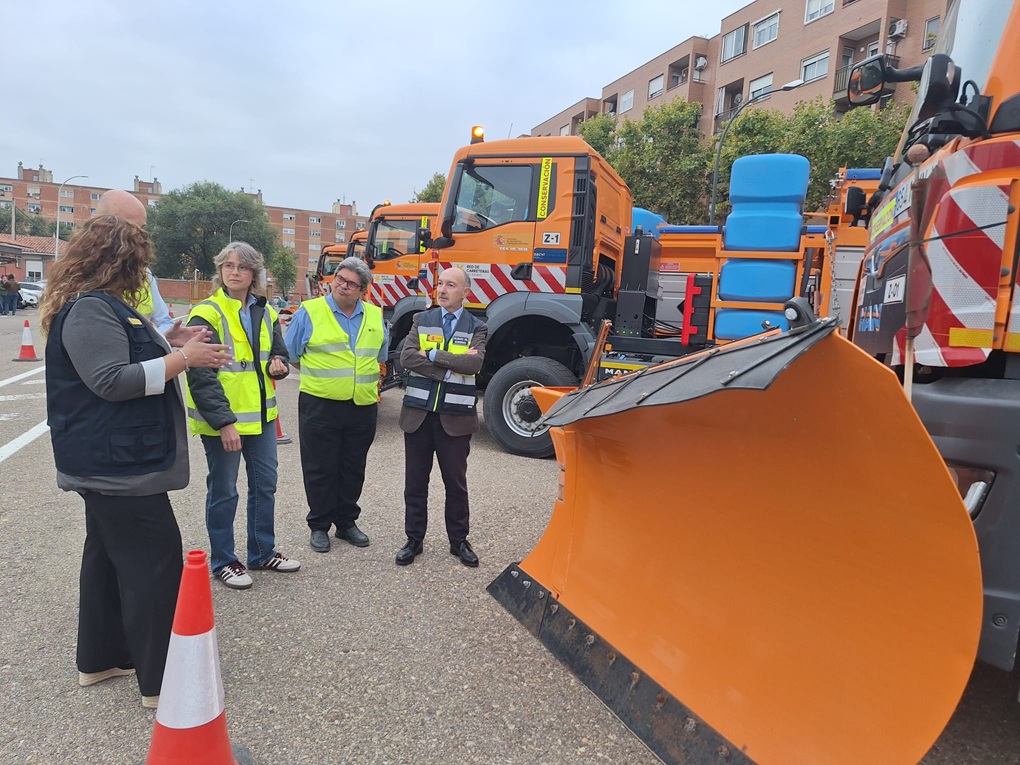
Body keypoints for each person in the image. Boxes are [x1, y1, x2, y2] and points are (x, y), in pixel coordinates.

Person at [41, 216, 232, 709]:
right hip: (117, 467)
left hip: (113, 461)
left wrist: (168, 337)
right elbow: (111, 380)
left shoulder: (103, 306)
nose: (144, 273)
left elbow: (126, 354)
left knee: (106, 559)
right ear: (120, 261)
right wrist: (184, 358)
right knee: (154, 565)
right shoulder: (88, 310)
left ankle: (104, 657)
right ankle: (162, 682)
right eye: (140, 264)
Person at [186, 242, 300, 589]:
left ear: (254, 274)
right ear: (220, 271)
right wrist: (224, 422)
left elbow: (276, 356)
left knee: (265, 486)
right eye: (228, 265)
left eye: (242, 267)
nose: (234, 272)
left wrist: (277, 367)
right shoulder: (206, 313)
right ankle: (223, 560)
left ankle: (262, 552)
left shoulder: (265, 312)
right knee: (224, 491)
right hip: (226, 422)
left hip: (262, 418)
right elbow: (200, 374)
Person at [285, 256, 387, 553]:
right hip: (320, 404)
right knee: (319, 467)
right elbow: (292, 355)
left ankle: (346, 523)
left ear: (362, 289)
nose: (342, 286)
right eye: (339, 279)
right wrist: (326, 380)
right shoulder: (310, 312)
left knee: (353, 467)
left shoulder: (375, 315)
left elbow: (379, 357)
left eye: (351, 283)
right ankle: (319, 525)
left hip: (362, 405)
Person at [396, 267, 487, 567]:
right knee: (415, 483)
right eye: (440, 283)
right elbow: (406, 357)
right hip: (419, 416)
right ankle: (414, 539)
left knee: (455, 484)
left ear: (465, 292)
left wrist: (432, 356)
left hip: (455, 419)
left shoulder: (478, 326)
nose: (443, 289)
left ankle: (458, 541)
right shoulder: (422, 320)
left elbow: (474, 365)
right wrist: (450, 367)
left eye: (451, 285)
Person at [94, 190, 194, 343]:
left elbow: (165, 322)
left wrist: (160, 338)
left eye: (143, 228)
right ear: (101, 227)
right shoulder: (78, 280)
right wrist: (183, 358)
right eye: (130, 229)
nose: (140, 237)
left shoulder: (144, 274)